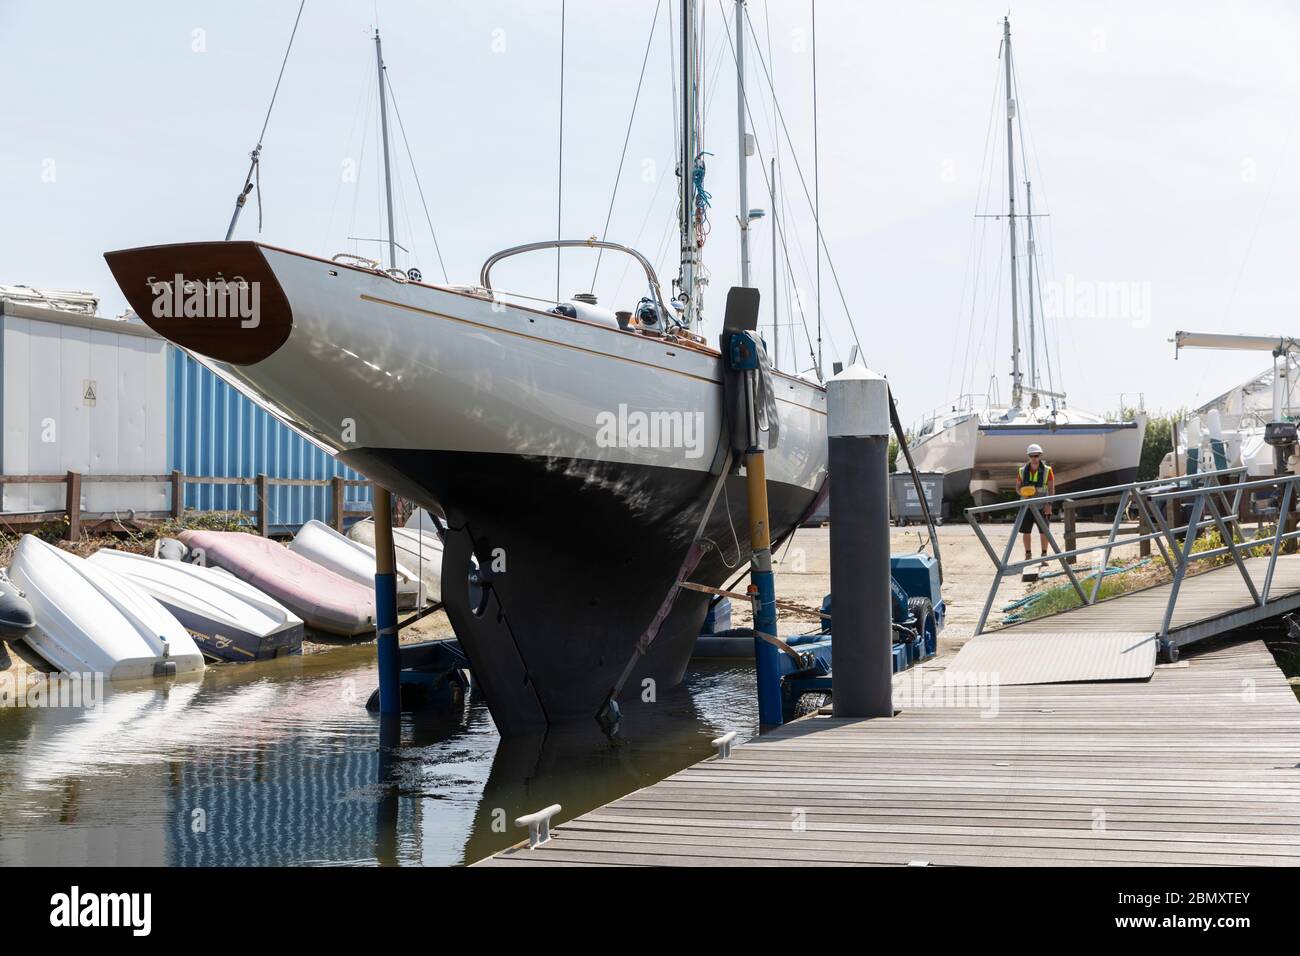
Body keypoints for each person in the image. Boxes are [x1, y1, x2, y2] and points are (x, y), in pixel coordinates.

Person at [1016, 443, 1055, 562]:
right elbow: (1017, 488)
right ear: (1028, 456)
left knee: (1044, 532)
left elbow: (1051, 488)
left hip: (1042, 506)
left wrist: (1049, 504)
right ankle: (1028, 555)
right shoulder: (1022, 471)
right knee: (1026, 531)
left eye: (1036, 456)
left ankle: (1044, 556)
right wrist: (1023, 494)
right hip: (1026, 506)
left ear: (1040, 456)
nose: (1034, 458)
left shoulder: (1048, 470)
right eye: (1032, 456)